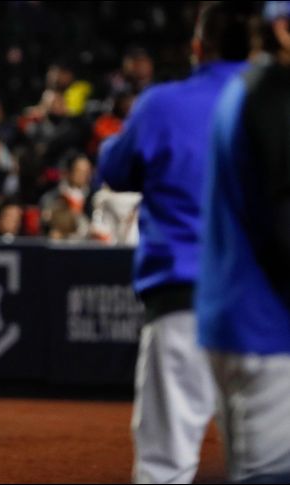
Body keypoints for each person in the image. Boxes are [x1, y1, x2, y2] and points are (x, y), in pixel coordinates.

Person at [97, 3, 251, 483]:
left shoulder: (163, 104)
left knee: (165, 467)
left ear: (197, 47)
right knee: (267, 465)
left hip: (184, 303)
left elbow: (114, 168)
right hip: (265, 312)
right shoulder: (275, 103)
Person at [197, 2, 290, 482]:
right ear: (282, 30)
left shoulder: (250, 90)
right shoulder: (272, 96)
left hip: (243, 321)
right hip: (267, 329)